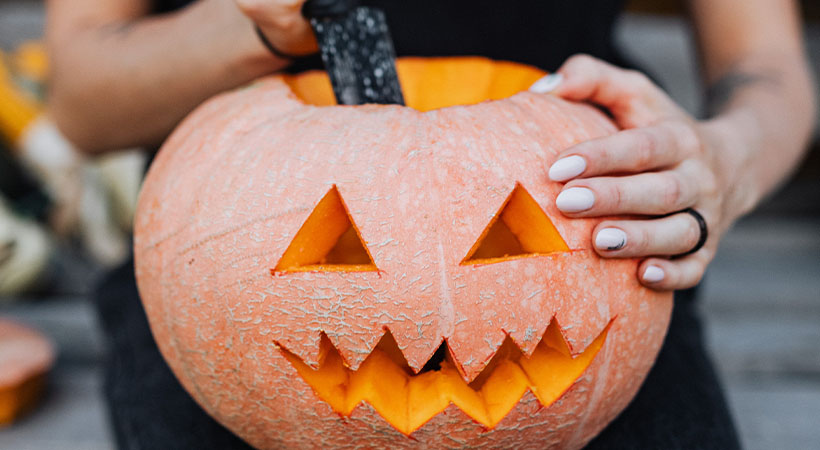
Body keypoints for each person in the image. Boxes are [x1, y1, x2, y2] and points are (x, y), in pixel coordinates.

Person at [45, 0, 816, 448]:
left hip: (591, 250)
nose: (429, 311)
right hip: (231, 278)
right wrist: (261, 23)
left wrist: (726, 155)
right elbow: (83, 103)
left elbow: (767, 71)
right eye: (350, 245)